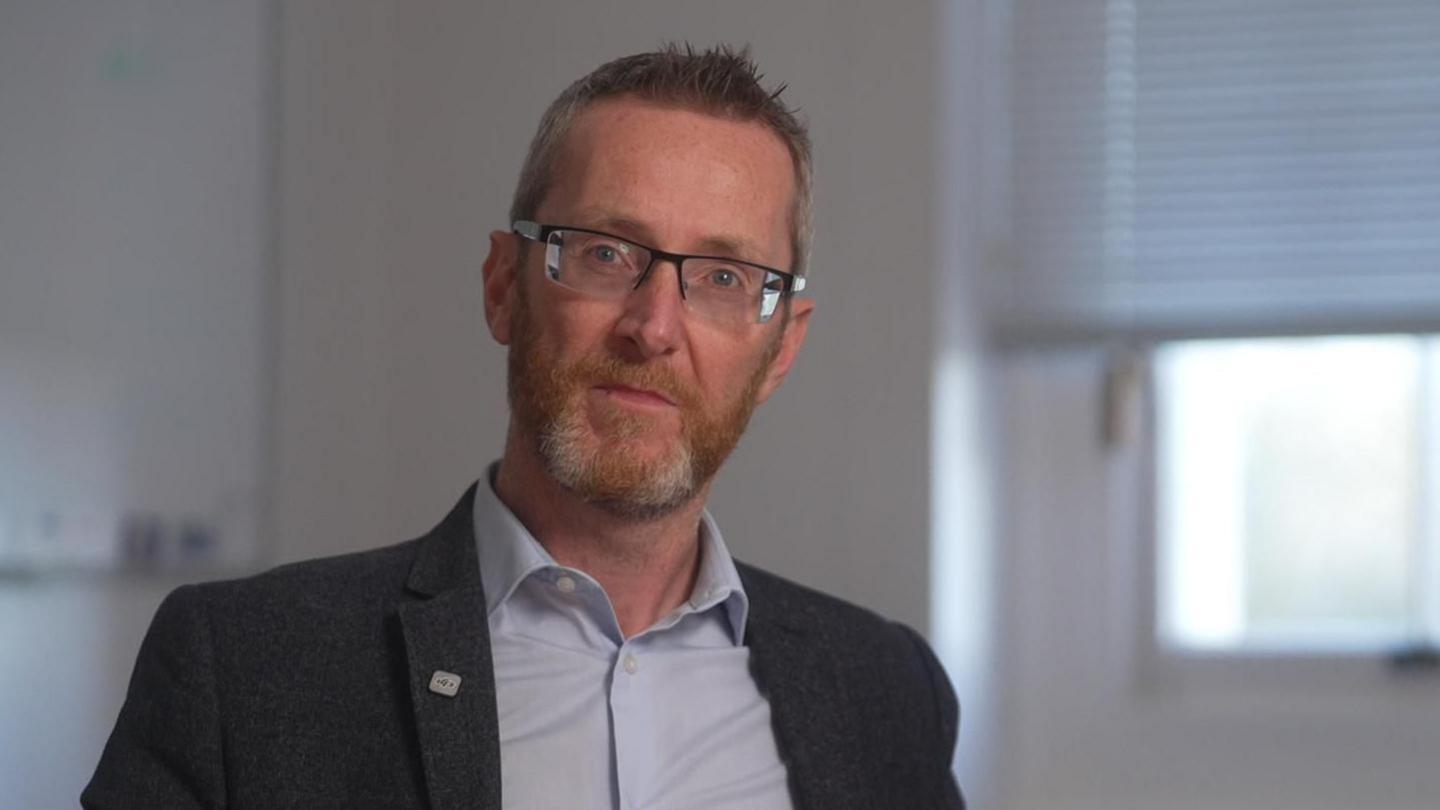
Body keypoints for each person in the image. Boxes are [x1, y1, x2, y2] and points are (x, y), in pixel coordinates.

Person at [83, 44, 964, 810]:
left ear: (780, 349)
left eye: (725, 278)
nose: (654, 327)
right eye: (606, 254)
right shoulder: (246, 672)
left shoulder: (885, 691)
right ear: (505, 286)